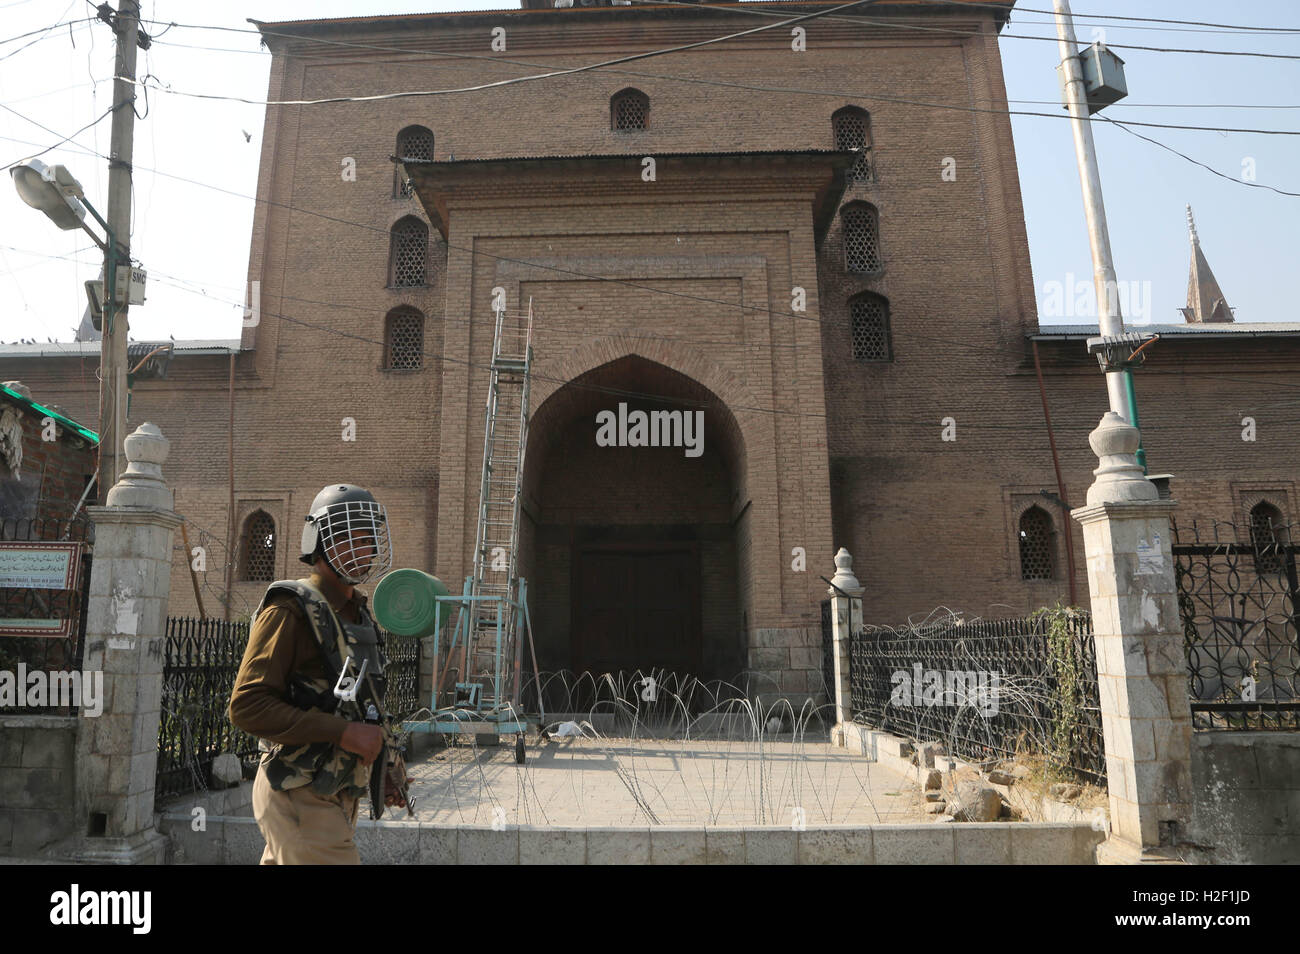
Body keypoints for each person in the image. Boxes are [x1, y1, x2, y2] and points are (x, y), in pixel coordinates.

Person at [229, 483, 410, 865]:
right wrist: (342, 733)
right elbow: (247, 707)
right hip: (298, 793)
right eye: (354, 538)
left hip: (334, 793)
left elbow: (363, 706)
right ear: (322, 540)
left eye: (371, 538)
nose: (368, 550)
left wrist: (387, 766)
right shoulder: (290, 609)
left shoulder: (357, 615)